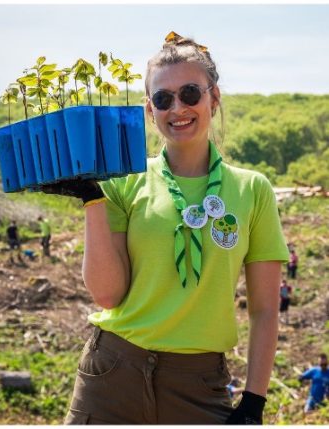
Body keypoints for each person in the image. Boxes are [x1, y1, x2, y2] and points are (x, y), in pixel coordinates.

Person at [42, 32, 289, 424]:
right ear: (148, 108)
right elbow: (108, 295)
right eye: (163, 99)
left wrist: (254, 401)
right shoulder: (124, 180)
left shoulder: (252, 190)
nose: (178, 108)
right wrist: (92, 198)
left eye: (190, 93)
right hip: (111, 373)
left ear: (214, 97)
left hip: (198, 384)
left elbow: (264, 310)